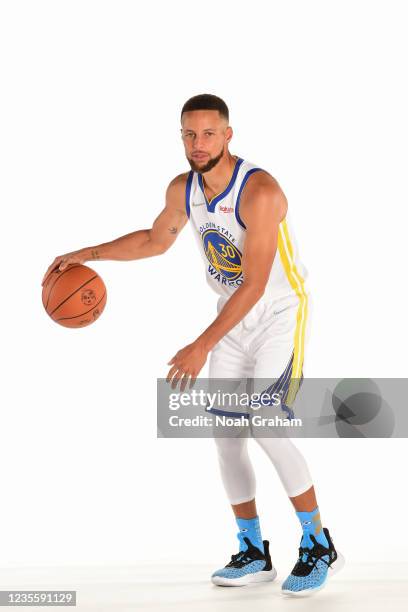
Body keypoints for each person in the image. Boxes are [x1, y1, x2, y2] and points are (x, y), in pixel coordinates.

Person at [42, 93, 344, 596]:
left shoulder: (260, 191)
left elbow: (254, 283)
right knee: (226, 438)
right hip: (230, 319)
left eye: (208, 133)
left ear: (228, 135)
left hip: (276, 316)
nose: (198, 143)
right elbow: (155, 241)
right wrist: (84, 253)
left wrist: (201, 345)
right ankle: (253, 550)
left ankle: (318, 544)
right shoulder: (185, 189)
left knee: (266, 425)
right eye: (189, 133)